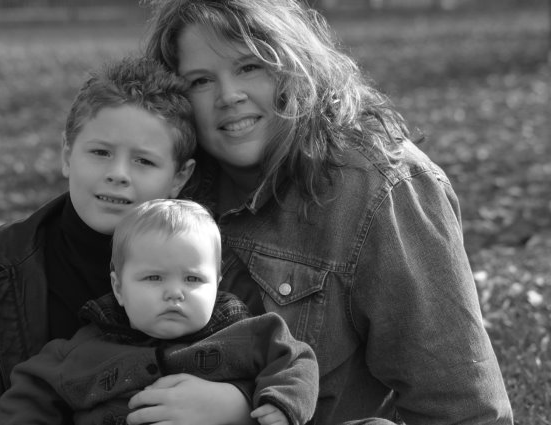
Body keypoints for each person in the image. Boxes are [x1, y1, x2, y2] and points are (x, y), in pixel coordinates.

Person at [120, 0, 515, 424]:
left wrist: (243, 413)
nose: (229, 96)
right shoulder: (168, 179)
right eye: (200, 80)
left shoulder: (380, 188)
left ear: (293, 65)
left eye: (250, 67)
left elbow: (465, 411)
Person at [0, 56, 198, 425]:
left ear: (179, 178)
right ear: (66, 155)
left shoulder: (205, 269)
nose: (118, 174)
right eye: (100, 152)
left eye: (143, 161)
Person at [0, 199, 319, 425]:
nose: (174, 292)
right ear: (119, 288)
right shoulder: (81, 350)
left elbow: (296, 360)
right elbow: (32, 391)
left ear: (217, 284)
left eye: (193, 279)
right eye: (153, 278)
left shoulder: (247, 334)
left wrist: (282, 403)